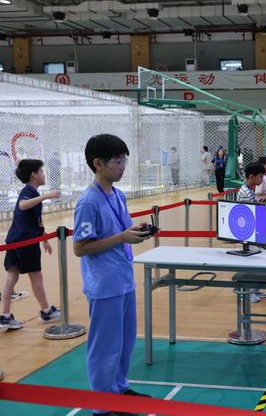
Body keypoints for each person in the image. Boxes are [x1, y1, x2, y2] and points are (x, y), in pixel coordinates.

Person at [73, 134, 153, 413]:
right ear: (98, 163)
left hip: (123, 279)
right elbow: (80, 248)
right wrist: (121, 237)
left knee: (124, 343)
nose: (123, 167)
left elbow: (122, 230)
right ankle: (102, 406)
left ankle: (118, 389)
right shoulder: (88, 202)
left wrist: (136, 231)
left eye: (124, 161)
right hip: (104, 284)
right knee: (104, 347)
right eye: (117, 161)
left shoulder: (117, 195)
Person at [1, 160, 61, 331]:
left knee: (11, 278)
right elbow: (22, 205)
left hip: (14, 240)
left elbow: (37, 222)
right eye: (41, 171)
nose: (44, 174)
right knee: (36, 278)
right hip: (25, 242)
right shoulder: (28, 192)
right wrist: (47, 196)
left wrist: (45, 239)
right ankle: (46, 311)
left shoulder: (33, 194)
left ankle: (5, 317)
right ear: (34, 175)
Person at [237, 162, 266, 304]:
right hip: (247, 233)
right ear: (251, 176)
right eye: (260, 176)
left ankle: (255, 289)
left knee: (256, 262)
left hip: (252, 231)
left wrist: (259, 204)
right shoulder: (245, 192)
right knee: (250, 263)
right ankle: (247, 292)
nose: (262, 179)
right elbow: (246, 214)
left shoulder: (249, 190)